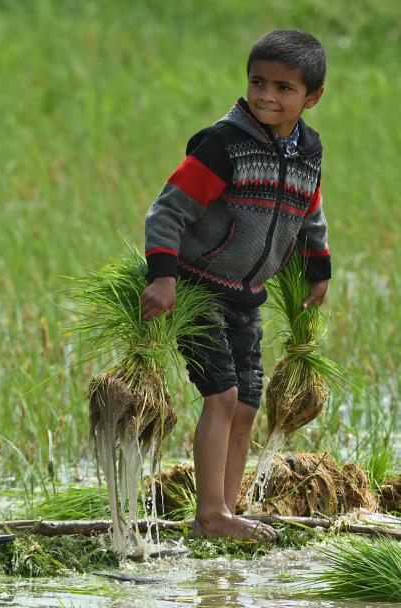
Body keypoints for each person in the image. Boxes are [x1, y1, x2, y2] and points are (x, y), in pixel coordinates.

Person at [140, 29, 331, 541]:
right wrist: (163, 277)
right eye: (258, 83)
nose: (267, 96)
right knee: (221, 395)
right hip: (198, 285)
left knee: (247, 401)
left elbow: (310, 207)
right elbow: (166, 211)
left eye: (283, 88)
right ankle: (211, 515)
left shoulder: (309, 150)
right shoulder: (224, 145)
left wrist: (319, 266)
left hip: (247, 295)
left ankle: (226, 508)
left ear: (311, 97)